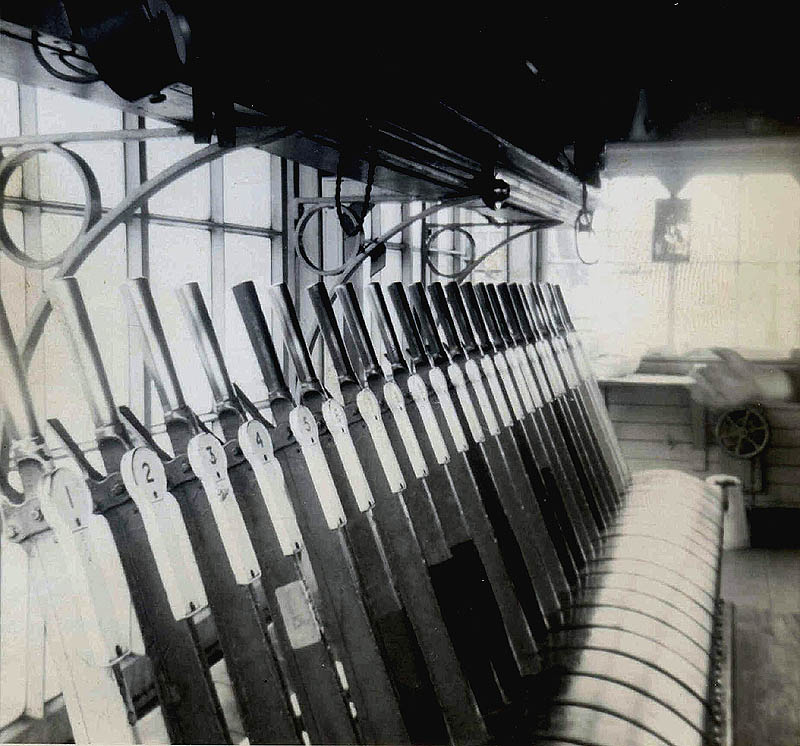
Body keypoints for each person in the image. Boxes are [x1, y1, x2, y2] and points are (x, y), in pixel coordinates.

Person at [691, 348, 798, 408]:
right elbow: (728, 354)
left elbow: (728, 354)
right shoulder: (742, 377)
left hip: (789, 384)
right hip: (789, 386)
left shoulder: (742, 373)